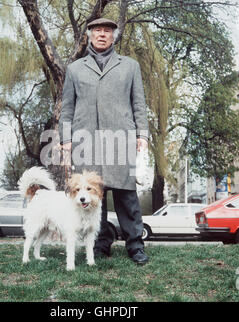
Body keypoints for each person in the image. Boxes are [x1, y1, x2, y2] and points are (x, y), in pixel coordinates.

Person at [59, 18, 149, 264]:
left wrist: (142, 135)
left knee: (127, 196)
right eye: (97, 30)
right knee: (92, 195)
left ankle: (135, 246)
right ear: (88, 35)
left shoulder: (130, 66)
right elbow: (66, 108)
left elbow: (138, 104)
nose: (102, 35)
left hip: (121, 140)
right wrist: (66, 139)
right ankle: (99, 245)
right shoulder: (74, 69)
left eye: (107, 31)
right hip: (84, 142)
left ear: (113, 36)